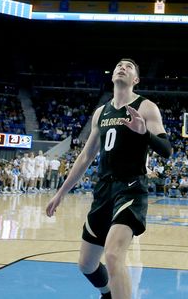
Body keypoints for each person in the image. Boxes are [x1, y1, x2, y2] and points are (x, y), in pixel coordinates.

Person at [46, 59, 171, 299]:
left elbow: (166, 149)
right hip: (104, 190)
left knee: (113, 256)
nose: (122, 67)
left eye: (129, 66)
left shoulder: (146, 107)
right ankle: (107, 293)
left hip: (131, 188)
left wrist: (144, 132)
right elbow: (84, 158)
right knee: (85, 264)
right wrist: (60, 193)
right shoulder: (100, 113)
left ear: (136, 79)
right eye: (119, 65)